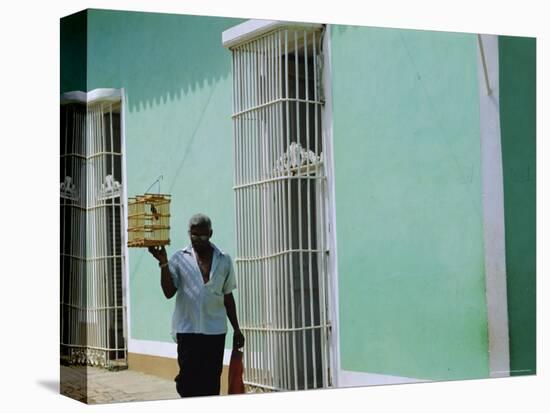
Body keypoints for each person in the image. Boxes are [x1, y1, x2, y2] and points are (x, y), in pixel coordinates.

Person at [148, 213, 245, 397]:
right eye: (193, 235)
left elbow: (228, 296)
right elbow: (169, 293)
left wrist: (237, 329)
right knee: (188, 384)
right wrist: (163, 264)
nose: (198, 240)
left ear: (210, 233)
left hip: (214, 333)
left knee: (211, 383)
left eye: (202, 236)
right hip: (188, 332)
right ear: (189, 233)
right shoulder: (179, 259)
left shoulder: (224, 260)